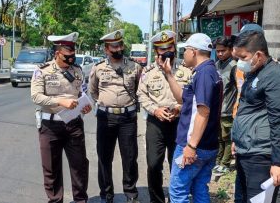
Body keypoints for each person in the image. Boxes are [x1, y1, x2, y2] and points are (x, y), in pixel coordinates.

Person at [160, 33, 223, 203]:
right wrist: (169, 75)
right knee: (199, 189)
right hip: (207, 145)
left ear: (194, 52)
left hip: (196, 146)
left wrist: (191, 146)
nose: (183, 55)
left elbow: (203, 112)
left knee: (178, 192)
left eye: (185, 50)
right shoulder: (207, 71)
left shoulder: (204, 74)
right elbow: (183, 98)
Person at [31, 32, 92, 203]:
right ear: (57, 53)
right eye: (67, 55)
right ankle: (55, 200)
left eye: (73, 53)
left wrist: (85, 106)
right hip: (50, 127)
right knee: (51, 169)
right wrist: (60, 101)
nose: (71, 57)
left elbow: (83, 92)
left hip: (74, 124)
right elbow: (36, 97)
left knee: (79, 165)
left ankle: (80, 200)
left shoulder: (78, 71)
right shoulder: (42, 71)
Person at [231, 30, 280, 202]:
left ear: (257, 55)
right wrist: (237, 139)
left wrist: (279, 163)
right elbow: (247, 109)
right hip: (246, 152)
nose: (240, 62)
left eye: (243, 57)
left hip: (262, 156)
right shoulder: (255, 73)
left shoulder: (276, 77)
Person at [137, 30, 192, 203]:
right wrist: (155, 110)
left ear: (174, 49)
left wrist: (179, 107)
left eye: (169, 48)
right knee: (154, 165)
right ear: (156, 51)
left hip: (178, 123)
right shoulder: (148, 71)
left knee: (177, 164)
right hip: (156, 123)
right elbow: (141, 95)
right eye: (161, 49)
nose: (165, 52)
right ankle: (157, 199)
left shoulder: (186, 71)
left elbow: (191, 97)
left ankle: (176, 199)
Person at [89, 29, 142, 203]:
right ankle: (106, 195)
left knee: (129, 156)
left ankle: (131, 193)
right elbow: (93, 91)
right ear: (106, 50)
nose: (118, 48)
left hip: (128, 118)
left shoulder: (135, 66)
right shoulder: (98, 68)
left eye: (120, 45)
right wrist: (107, 104)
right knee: (104, 157)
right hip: (106, 118)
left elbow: (139, 90)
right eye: (114, 47)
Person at [213, 36, 237, 174]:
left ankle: (225, 163)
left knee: (227, 138)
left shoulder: (234, 66)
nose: (220, 53)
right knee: (218, 137)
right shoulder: (216, 65)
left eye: (223, 51)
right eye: (218, 51)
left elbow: (239, 89)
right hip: (217, 109)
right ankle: (218, 160)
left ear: (230, 50)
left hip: (228, 110)